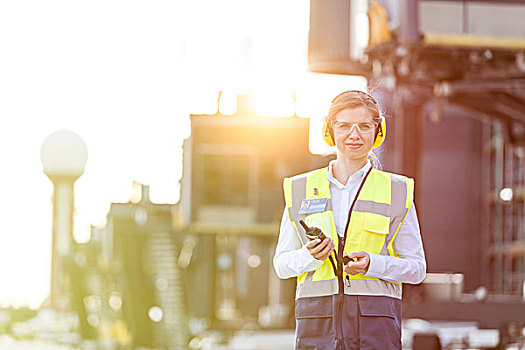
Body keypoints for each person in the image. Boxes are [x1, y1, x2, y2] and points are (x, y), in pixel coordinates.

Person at [273, 90, 426, 350]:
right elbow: (282, 265)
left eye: (364, 126)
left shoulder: (397, 191)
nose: (354, 134)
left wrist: (373, 264)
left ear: (378, 132)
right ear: (329, 131)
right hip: (317, 328)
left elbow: (416, 269)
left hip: (376, 330)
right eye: (344, 126)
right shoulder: (300, 189)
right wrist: (310, 256)